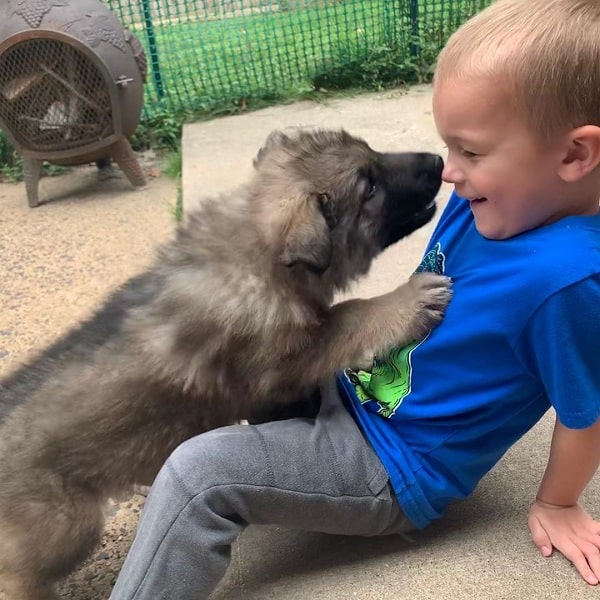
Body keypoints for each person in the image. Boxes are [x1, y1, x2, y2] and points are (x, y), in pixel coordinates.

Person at [109, 0, 600, 597]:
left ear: (574, 155)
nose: (449, 172)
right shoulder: (494, 203)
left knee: (197, 476)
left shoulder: (567, 281)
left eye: (470, 152)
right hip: (353, 393)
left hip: (389, 465)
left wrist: (557, 501)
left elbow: (587, 413)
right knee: (237, 345)